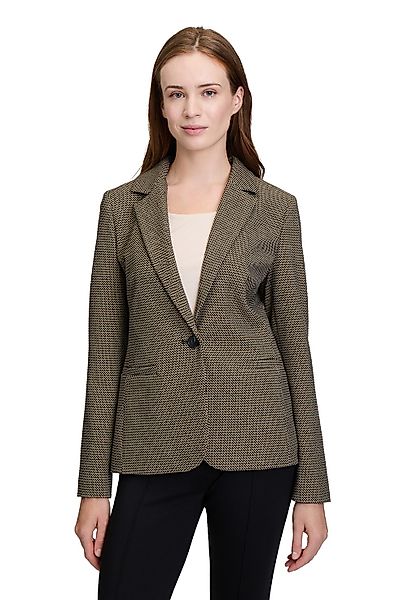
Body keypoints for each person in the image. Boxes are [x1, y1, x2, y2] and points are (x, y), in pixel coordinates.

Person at [74, 25, 331, 599]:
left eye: (208, 92)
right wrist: (93, 484)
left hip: (259, 444)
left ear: (236, 99)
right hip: (152, 441)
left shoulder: (274, 209)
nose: (192, 109)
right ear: (161, 105)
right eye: (177, 94)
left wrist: (312, 488)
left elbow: (295, 348)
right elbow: (105, 352)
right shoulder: (121, 208)